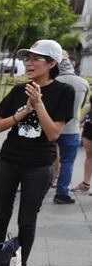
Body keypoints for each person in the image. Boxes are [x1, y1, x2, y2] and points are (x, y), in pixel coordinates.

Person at [0, 40, 74, 266]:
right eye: (27, 58)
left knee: (26, 221)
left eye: (35, 59)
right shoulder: (20, 90)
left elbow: (52, 134)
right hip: (8, 160)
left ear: (52, 63)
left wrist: (38, 105)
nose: (28, 63)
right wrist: (23, 110)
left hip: (38, 165)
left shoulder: (64, 92)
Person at [53, 55, 89, 204]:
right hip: (72, 128)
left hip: (51, 126)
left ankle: (36, 187)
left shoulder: (53, 82)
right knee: (67, 162)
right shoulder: (83, 83)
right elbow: (81, 106)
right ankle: (61, 193)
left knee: (44, 159)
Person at [71, 95, 92, 195]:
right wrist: (80, 122)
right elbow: (90, 106)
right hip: (89, 128)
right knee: (89, 156)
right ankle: (85, 184)